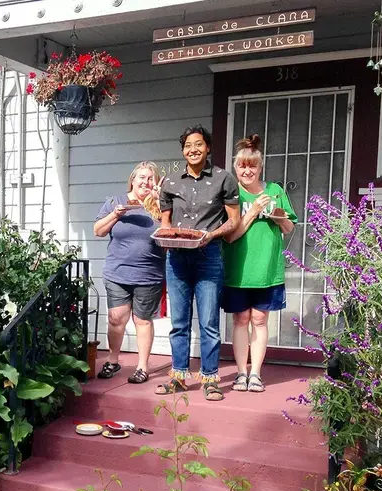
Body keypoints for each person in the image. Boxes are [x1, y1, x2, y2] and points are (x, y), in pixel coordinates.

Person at [156, 124, 240, 402]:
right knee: (179, 322)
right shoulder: (170, 182)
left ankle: (211, 379)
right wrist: (166, 238)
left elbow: (234, 220)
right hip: (177, 258)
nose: (193, 149)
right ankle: (179, 377)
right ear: (183, 150)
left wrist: (211, 235)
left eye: (199, 144)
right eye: (188, 145)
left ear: (208, 148)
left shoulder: (223, 179)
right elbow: (166, 223)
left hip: (209, 257)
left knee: (208, 322)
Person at [223, 134, 296, 393]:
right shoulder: (232, 194)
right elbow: (230, 235)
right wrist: (253, 211)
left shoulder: (275, 191)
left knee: (260, 319)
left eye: (252, 165)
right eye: (242, 165)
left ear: (260, 167)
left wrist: (278, 217)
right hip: (238, 269)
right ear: (236, 168)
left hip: (267, 269)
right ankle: (240, 373)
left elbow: (289, 227)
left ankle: (256, 374)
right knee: (241, 318)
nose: (247, 170)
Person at [93, 161, 166, 384]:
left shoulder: (161, 205)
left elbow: (169, 234)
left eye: (150, 178)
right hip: (118, 273)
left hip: (149, 274)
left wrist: (160, 203)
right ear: (132, 180)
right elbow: (98, 230)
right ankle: (113, 361)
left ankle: (142, 367)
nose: (146, 181)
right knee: (117, 319)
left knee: (142, 320)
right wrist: (116, 214)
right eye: (141, 177)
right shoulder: (116, 202)